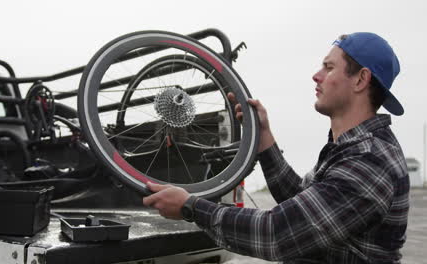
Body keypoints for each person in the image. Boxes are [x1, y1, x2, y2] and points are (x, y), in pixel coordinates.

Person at [143, 32, 409, 263]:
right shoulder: (349, 148)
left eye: (329, 68)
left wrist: (191, 207)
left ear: (361, 80)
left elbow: (279, 233)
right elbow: (301, 203)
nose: (316, 76)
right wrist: (265, 140)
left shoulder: (369, 160)